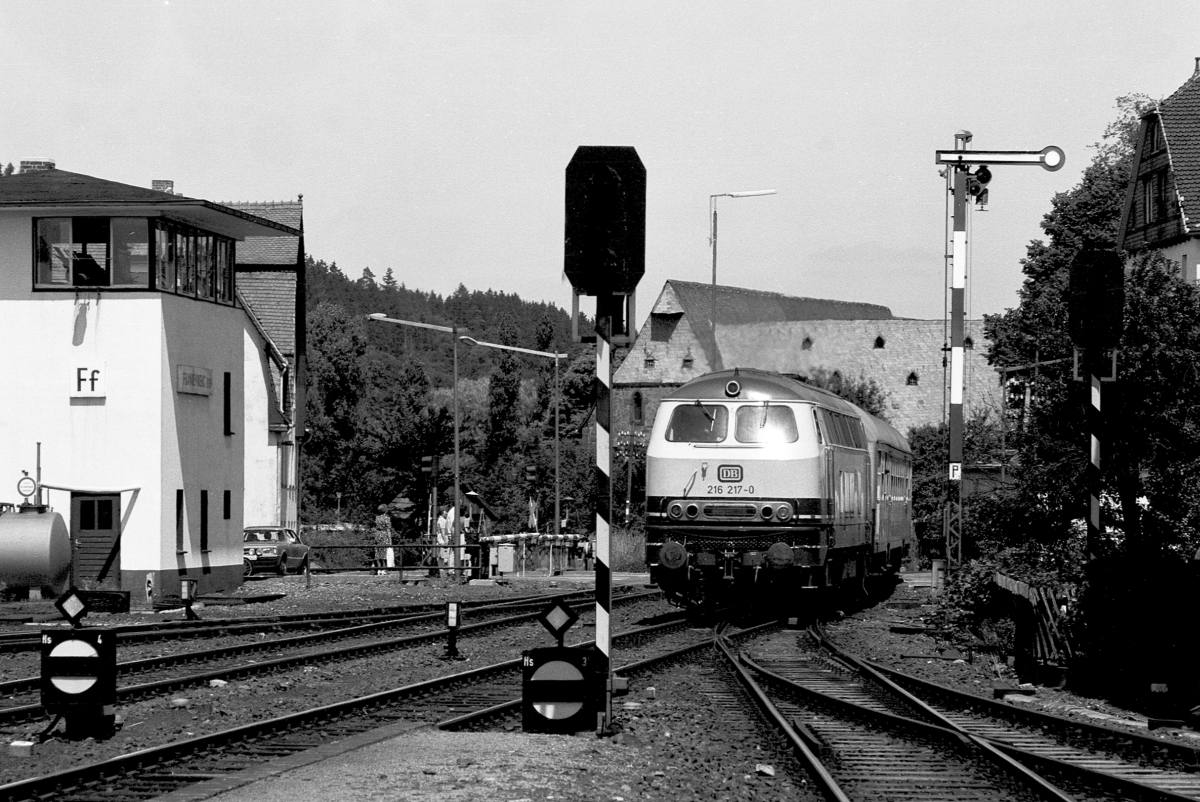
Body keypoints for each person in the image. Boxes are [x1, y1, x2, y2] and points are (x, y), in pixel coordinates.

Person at [373, 504, 393, 576]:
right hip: (384, 534)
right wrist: (390, 540)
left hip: (378, 534)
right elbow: (388, 530)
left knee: (378, 552)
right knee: (384, 552)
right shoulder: (387, 518)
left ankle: (379, 569)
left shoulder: (377, 518)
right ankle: (384, 569)